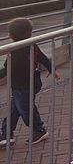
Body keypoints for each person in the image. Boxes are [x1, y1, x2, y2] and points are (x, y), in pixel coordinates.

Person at [0, 18, 56, 146]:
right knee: (15, 109)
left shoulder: (14, 49)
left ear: (11, 35)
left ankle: (39, 129)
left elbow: (7, 69)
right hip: (28, 84)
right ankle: (6, 133)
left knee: (25, 110)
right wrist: (52, 68)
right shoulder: (31, 45)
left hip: (23, 86)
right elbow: (43, 58)